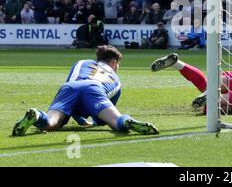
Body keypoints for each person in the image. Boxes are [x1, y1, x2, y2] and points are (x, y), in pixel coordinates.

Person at [12, 45, 158, 136]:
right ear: (114, 63)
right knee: (116, 121)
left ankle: (37, 116)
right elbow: (102, 119)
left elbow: (71, 83)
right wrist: (92, 122)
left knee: (52, 122)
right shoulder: (115, 79)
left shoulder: (82, 62)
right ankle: (128, 122)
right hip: (95, 89)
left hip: (70, 87)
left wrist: (73, 116)